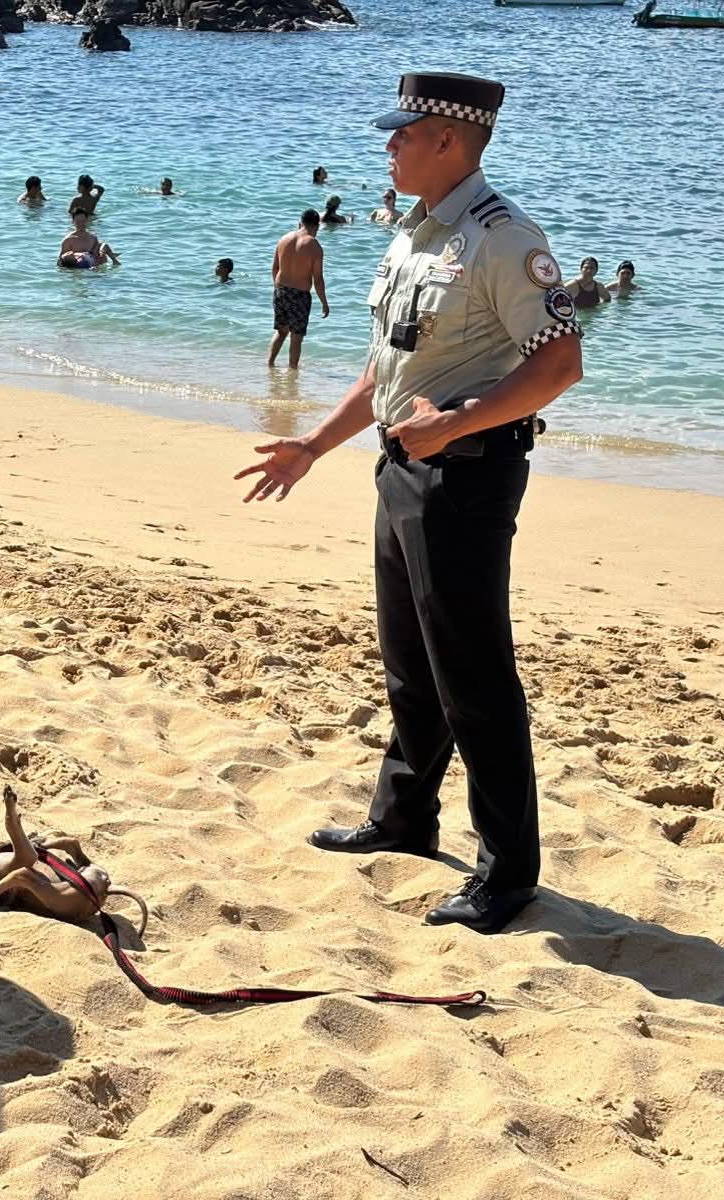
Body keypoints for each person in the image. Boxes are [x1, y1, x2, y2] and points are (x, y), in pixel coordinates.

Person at [235, 72, 584, 934]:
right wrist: (314, 445)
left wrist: (460, 419)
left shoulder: (504, 238)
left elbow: (559, 366)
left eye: (403, 132)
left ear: (450, 140)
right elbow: (382, 371)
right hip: (402, 468)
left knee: (473, 672)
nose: (387, 145)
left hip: (467, 472)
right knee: (409, 659)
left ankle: (507, 874)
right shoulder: (414, 235)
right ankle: (404, 816)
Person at [268, 209, 328, 368]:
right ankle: (292, 371)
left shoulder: (284, 239)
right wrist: (324, 303)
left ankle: (270, 364)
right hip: (300, 295)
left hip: (280, 291)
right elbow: (318, 279)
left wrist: (278, 288)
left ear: (300, 223)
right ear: (317, 226)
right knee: (296, 337)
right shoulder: (314, 246)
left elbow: (274, 268)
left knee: (281, 332)